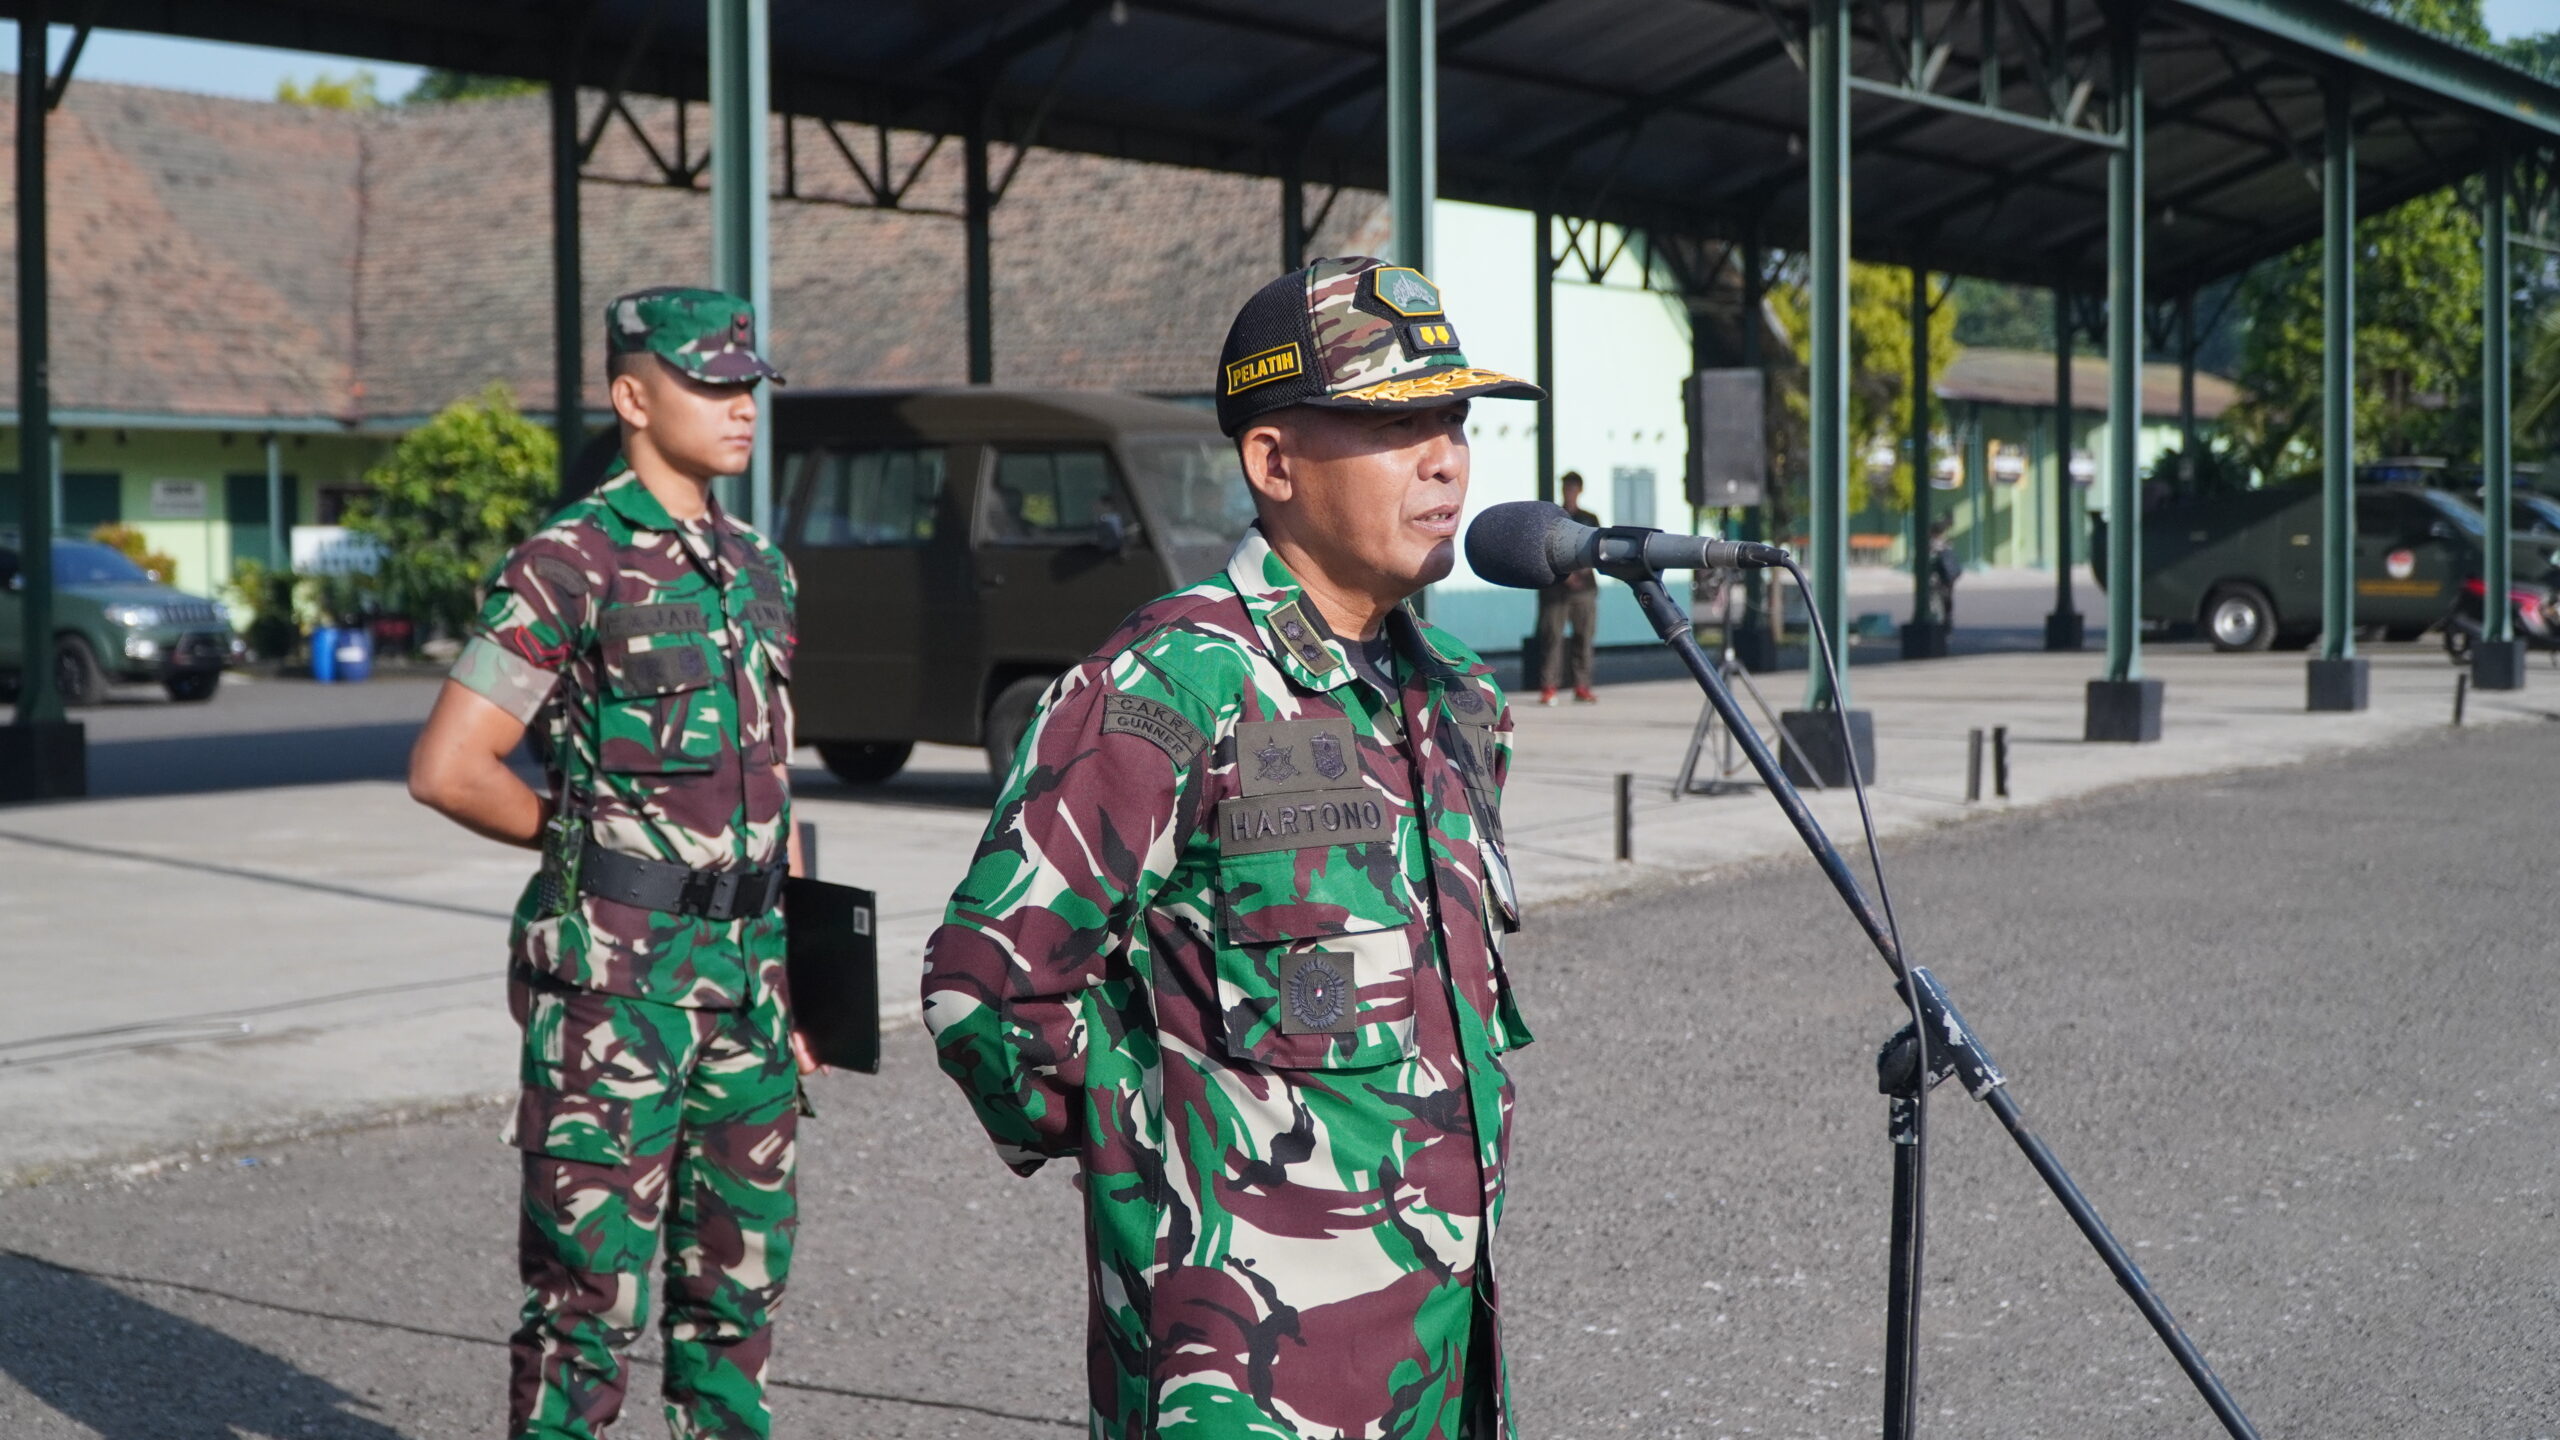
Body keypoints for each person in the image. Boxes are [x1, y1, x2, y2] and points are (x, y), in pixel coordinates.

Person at [922, 256, 1542, 1439]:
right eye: (1397, 422)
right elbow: (987, 984)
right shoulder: (1171, 683)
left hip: (1441, 1358)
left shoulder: (1452, 699)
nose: (1447, 458)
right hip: (1247, 1382)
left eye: (1454, 421)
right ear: (1274, 462)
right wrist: (1160, 1170)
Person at [407, 286, 814, 1440]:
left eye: (748, 385)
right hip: (614, 994)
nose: (740, 407)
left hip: (746, 987)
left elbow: (768, 795)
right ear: (632, 397)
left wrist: (793, 984)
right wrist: (580, 838)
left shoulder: (762, 569)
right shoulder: (567, 562)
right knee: (589, 1304)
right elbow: (451, 765)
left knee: (736, 1301)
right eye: (712, 384)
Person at [1533, 470, 1601, 704]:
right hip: (1557, 587)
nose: (1569, 492)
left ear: (1579, 490)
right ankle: (1549, 685)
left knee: (1584, 636)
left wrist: (1580, 573)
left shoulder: (1588, 519)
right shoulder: (1553, 518)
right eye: (1565, 487)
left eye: (1572, 488)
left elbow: (1596, 549)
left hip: (1584, 589)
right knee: (1552, 636)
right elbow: (1544, 550)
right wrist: (1566, 574)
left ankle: (1582, 685)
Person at [1928, 516, 1961, 631]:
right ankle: (1947, 621)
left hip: (1937, 577)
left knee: (1933, 599)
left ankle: (1937, 622)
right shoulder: (1947, 543)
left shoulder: (1931, 544)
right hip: (1948, 576)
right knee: (1947, 599)